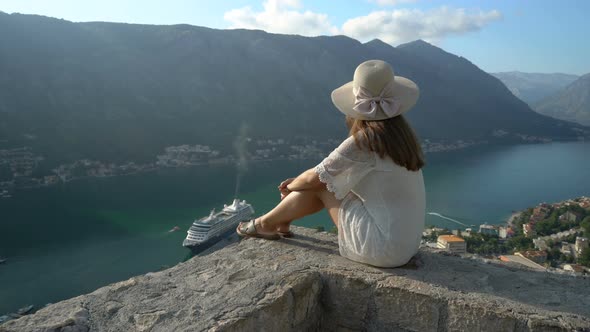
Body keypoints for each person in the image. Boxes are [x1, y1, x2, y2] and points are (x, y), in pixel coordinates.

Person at [237, 60, 425, 268]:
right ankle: (280, 221)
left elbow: (316, 177)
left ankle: (264, 223)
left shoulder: (367, 140)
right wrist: (305, 182)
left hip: (381, 250)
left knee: (323, 185)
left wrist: (290, 187)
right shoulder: (402, 138)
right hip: (405, 246)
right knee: (325, 182)